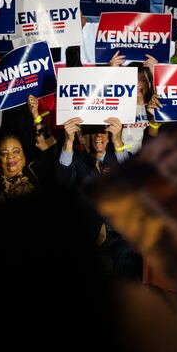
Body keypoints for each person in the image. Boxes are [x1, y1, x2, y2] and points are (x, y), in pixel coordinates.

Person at [57, 116, 141, 280]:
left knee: (128, 251)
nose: (98, 137)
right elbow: (63, 183)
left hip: (120, 233)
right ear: (82, 137)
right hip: (88, 233)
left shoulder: (121, 156)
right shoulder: (75, 160)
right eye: (93, 132)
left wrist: (118, 142)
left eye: (103, 131)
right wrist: (68, 142)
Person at [0, 95, 57, 208]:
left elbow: (50, 147)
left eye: (16, 151)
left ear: (24, 155)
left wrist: (36, 114)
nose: (10, 156)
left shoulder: (37, 173)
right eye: (4, 153)